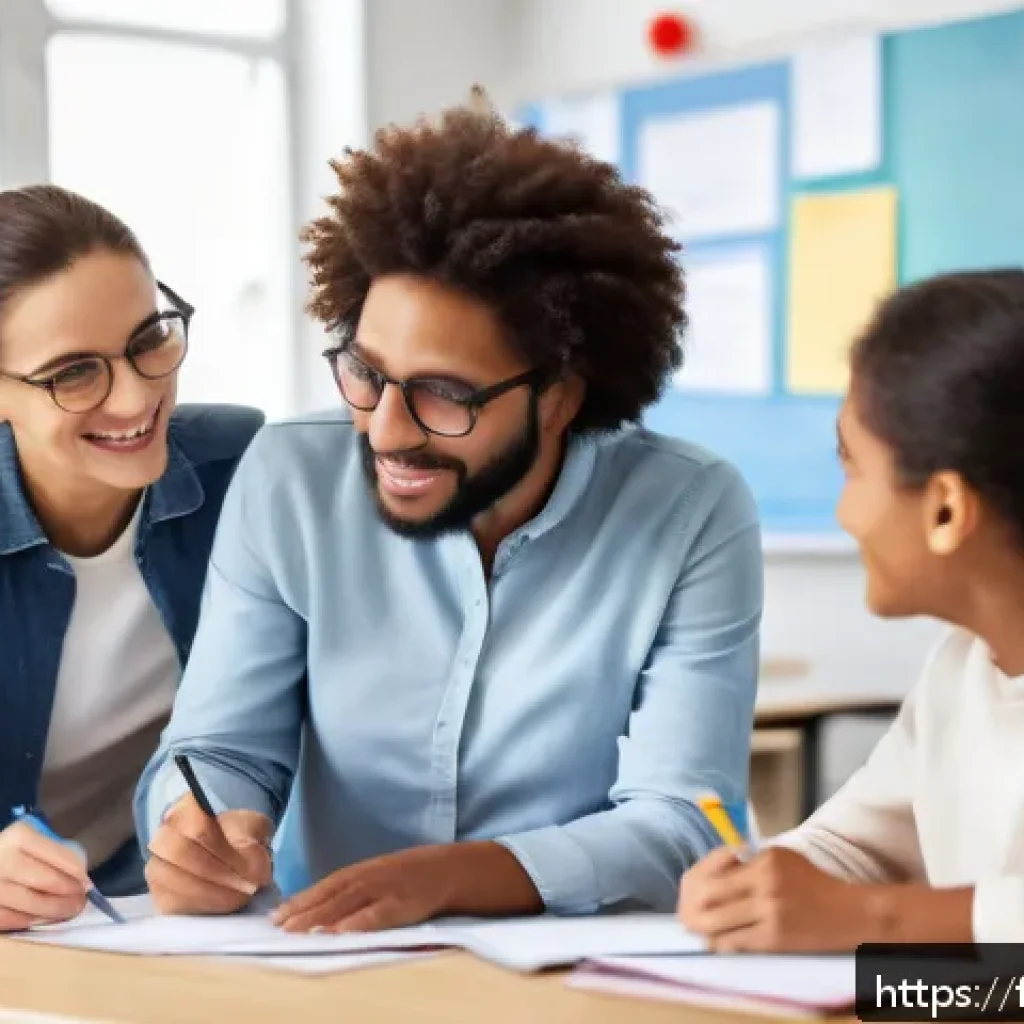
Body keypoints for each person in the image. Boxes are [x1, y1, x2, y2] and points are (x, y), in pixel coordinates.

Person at [135, 92, 764, 931]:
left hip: (578, 974)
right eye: (365, 372)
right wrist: (197, 828)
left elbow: (683, 821)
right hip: (325, 964)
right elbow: (219, 750)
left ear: (559, 396)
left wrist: (456, 877)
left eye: (442, 394)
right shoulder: (290, 477)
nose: (385, 430)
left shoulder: (690, 510)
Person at [679, 269, 1024, 950]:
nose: (845, 513)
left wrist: (877, 922)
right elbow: (855, 845)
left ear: (946, 509)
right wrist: (761, 885)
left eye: (853, 469)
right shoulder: (959, 669)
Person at [0, 185, 263, 932]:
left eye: (150, 338)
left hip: (154, 931)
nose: (137, 395)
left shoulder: (245, 474)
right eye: (73, 372)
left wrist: (233, 836)